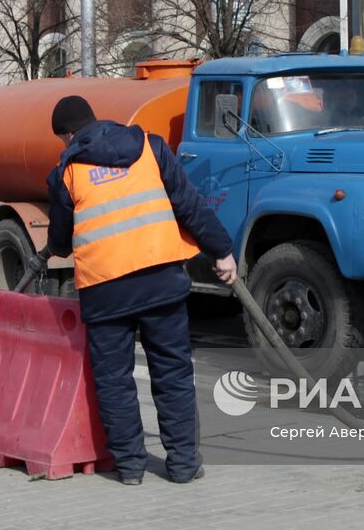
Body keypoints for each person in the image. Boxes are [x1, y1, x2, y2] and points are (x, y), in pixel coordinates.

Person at [42, 95, 237, 486]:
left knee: (114, 380)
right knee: (173, 374)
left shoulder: (68, 170)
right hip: (161, 283)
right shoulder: (151, 147)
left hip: (105, 290)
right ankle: (182, 465)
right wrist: (222, 251)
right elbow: (190, 204)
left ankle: (130, 467)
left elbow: (61, 243)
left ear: (67, 136)